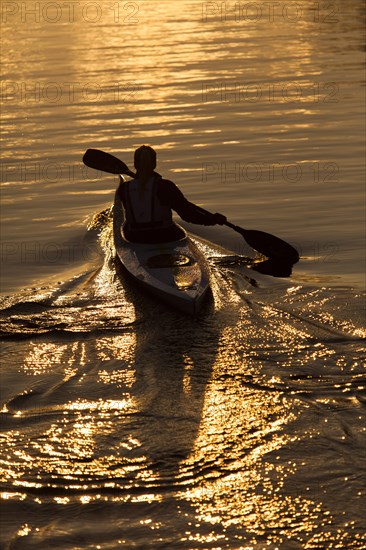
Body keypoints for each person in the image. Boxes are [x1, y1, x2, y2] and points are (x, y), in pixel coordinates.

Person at [117, 145, 227, 243]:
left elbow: (140, 210)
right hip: (165, 236)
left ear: (135, 165)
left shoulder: (123, 189)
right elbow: (188, 215)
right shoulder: (165, 186)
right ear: (154, 164)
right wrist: (211, 220)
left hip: (137, 238)